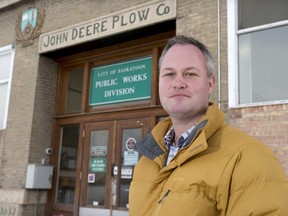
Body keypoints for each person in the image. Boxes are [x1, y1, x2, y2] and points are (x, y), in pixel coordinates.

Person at [129, 35, 288, 216]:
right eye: (169, 74)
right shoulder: (147, 160)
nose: (178, 83)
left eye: (190, 74)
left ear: (210, 84)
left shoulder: (247, 157)